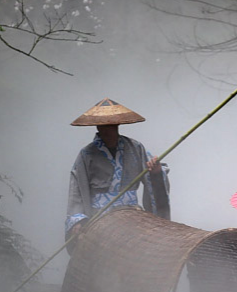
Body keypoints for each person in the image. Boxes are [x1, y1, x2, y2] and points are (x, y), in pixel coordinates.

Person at [65, 98, 170, 245]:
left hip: (132, 215)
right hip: (101, 217)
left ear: (118, 124)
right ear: (97, 127)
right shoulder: (87, 154)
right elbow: (76, 189)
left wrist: (156, 173)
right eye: (102, 126)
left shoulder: (135, 147)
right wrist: (78, 220)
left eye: (111, 125)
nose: (107, 129)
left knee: (148, 245)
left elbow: (153, 173)